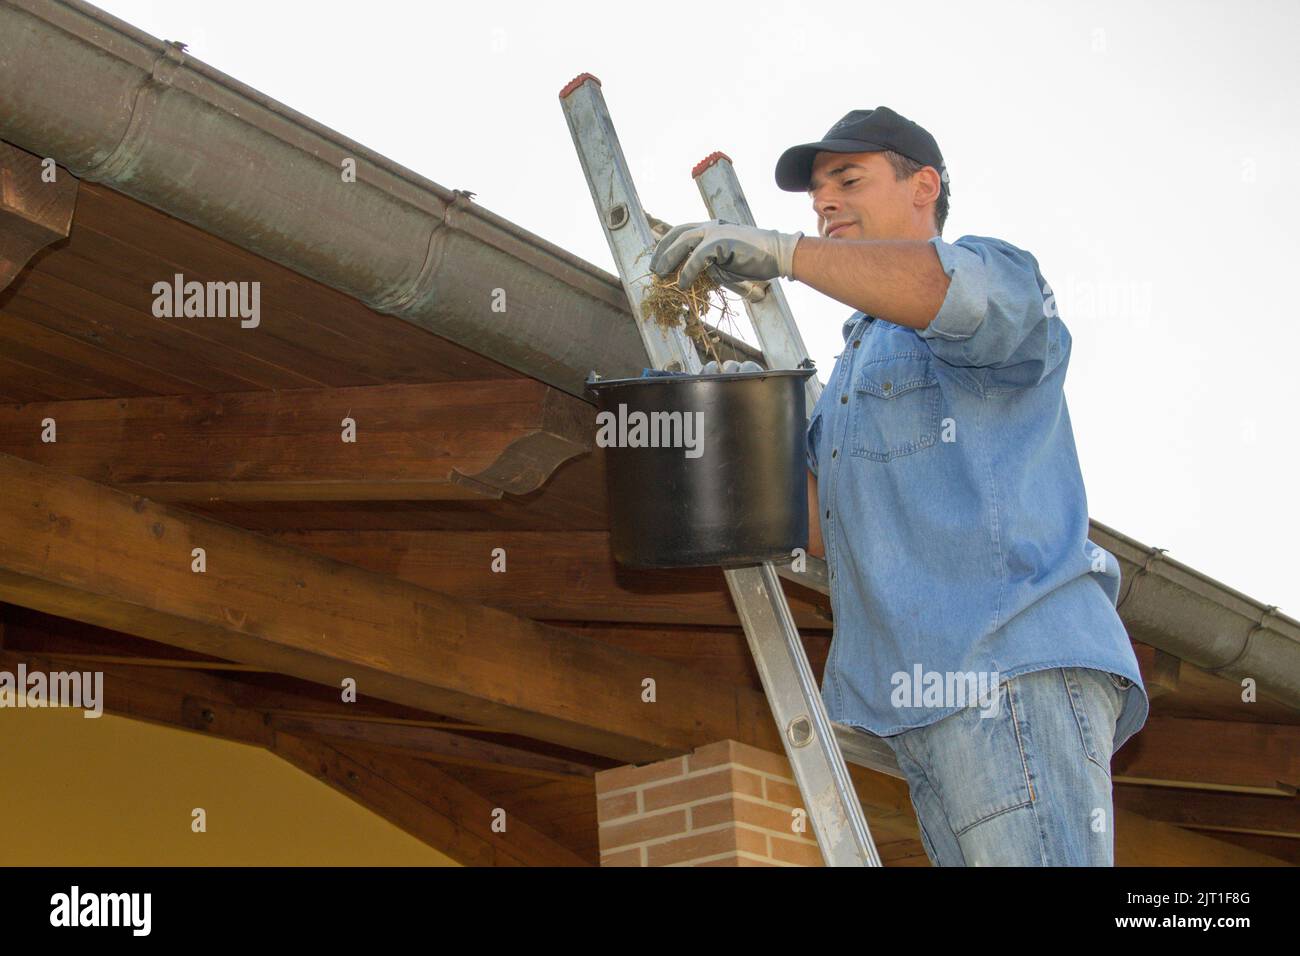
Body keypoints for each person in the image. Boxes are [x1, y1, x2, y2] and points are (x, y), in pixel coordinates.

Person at [649, 106, 1149, 866]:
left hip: (1005, 674)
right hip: (921, 708)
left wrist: (786, 254)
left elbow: (953, 295)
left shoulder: (998, 274)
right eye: (814, 197)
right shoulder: (853, 368)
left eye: (848, 179)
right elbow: (821, 528)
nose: (824, 205)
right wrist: (732, 427)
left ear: (925, 186)